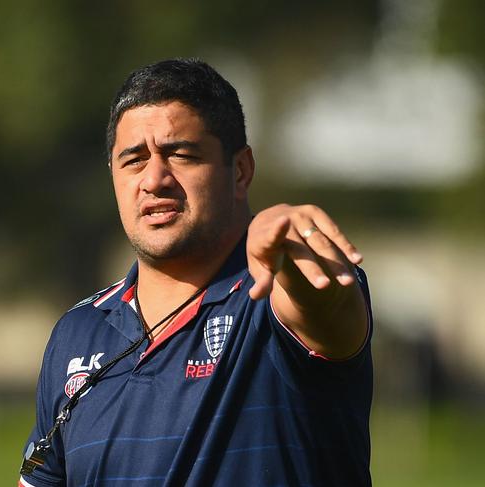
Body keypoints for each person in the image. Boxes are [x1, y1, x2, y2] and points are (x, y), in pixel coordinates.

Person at [18, 58, 373, 487]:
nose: (154, 179)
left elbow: (323, 304)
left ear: (240, 171)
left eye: (180, 154)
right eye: (133, 160)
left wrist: (289, 250)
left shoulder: (273, 294)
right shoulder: (77, 332)